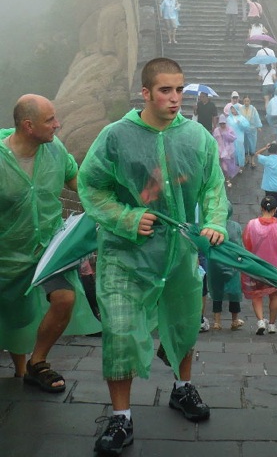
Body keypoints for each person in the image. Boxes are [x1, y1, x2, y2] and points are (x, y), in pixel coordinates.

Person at [78, 57, 228, 454]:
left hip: (179, 250)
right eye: (165, 90)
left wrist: (215, 221)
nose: (175, 98)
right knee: (120, 330)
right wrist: (126, 217)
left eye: (179, 89)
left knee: (184, 322)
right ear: (145, 92)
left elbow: (214, 185)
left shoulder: (197, 137)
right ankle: (121, 417)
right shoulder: (116, 136)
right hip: (125, 253)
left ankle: (183, 387)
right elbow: (91, 186)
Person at [0, 95, 98, 391]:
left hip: (49, 249)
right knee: (15, 314)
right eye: (50, 120)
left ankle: (38, 362)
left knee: (64, 298)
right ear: (28, 126)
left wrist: (108, 208)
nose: (58, 124)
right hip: (8, 253)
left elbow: (76, 181)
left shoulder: (55, 150)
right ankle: (20, 370)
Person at [242, 196, 277, 335]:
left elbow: (247, 243)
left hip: (257, 266)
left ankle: (261, 321)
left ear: (261, 208)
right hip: (275, 268)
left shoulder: (251, 224)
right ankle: (272, 324)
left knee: (257, 294)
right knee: (274, 295)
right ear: (275, 210)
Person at [208, 202, 244, 331]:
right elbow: (239, 245)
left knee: (216, 291)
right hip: (232, 263)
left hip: (215, 263)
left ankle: (217, 321)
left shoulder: (212, 227)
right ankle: (234, 320)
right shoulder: (236, 226)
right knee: (234, 292)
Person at [255, 141, 277, 219]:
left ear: (269, 150)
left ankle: (269, 219)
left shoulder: (266, 159)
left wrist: (265, 147)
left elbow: (257, 154)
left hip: (269, 188)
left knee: (269, 205)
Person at [213, 114, 238, 188]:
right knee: (223, 167)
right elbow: (214, 140)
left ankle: (227, 179)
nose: (222, 125)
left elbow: (233, 138)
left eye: (223, 123)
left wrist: (227, 135)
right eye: (221, 123)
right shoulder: (216, 130)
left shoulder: (230, 129)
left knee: (228, 166)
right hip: (220, 151)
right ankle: (225, 179)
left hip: (229, 151)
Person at [226, 102, 250, 172]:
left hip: (239, 138)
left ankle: (241, 166)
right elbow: (226, 128)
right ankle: (233, 166)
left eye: (234, 109)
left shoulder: (242, 118)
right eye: (232, 109)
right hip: (231, 138)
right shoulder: (229, 118)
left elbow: (247, 127)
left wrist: (241, 124)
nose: (233, 111)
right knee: (232, 151)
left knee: (240, 151)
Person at [239, 95, 262, 168]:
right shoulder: (240, 109)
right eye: (245, 101)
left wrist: (258, 126)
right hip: (244, 130)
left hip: (252, 129)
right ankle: (246, 159)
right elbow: (238, 118)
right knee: (245, 144)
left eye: (248, 101)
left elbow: (256, 117)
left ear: (250, 101)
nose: (246, 102)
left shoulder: (253, 109)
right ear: (243, 101)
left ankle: (252, 160)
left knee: (252, 144)